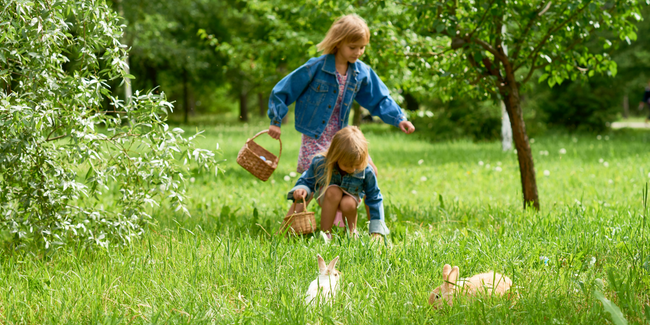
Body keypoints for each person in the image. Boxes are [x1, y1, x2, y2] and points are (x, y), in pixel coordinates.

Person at [267, 13, 415, 175]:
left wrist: (399, 118)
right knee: (316, 176)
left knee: (368, 171)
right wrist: (276, 120)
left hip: (342, 137)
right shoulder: (316, 67)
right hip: (315, 137)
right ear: (338, 42)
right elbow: (284, 89)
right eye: (353, 47)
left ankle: (368, 201)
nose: (358, 52)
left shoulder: (361, 72)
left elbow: (379, 99)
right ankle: (300, 200)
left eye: (362, 47)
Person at [287, 127, 388, 239]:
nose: (352, 170)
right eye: (347, 165)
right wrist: (302, 188)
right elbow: (307, 180)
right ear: (336, 157)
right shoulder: (321, 163)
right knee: (333, 191)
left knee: (348, 202)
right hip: (328, 197)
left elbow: (374, 198)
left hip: (351, 199)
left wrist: (376, 231)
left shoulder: (367, 171)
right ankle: (326, 233)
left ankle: (351, 232)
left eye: (356, 165)